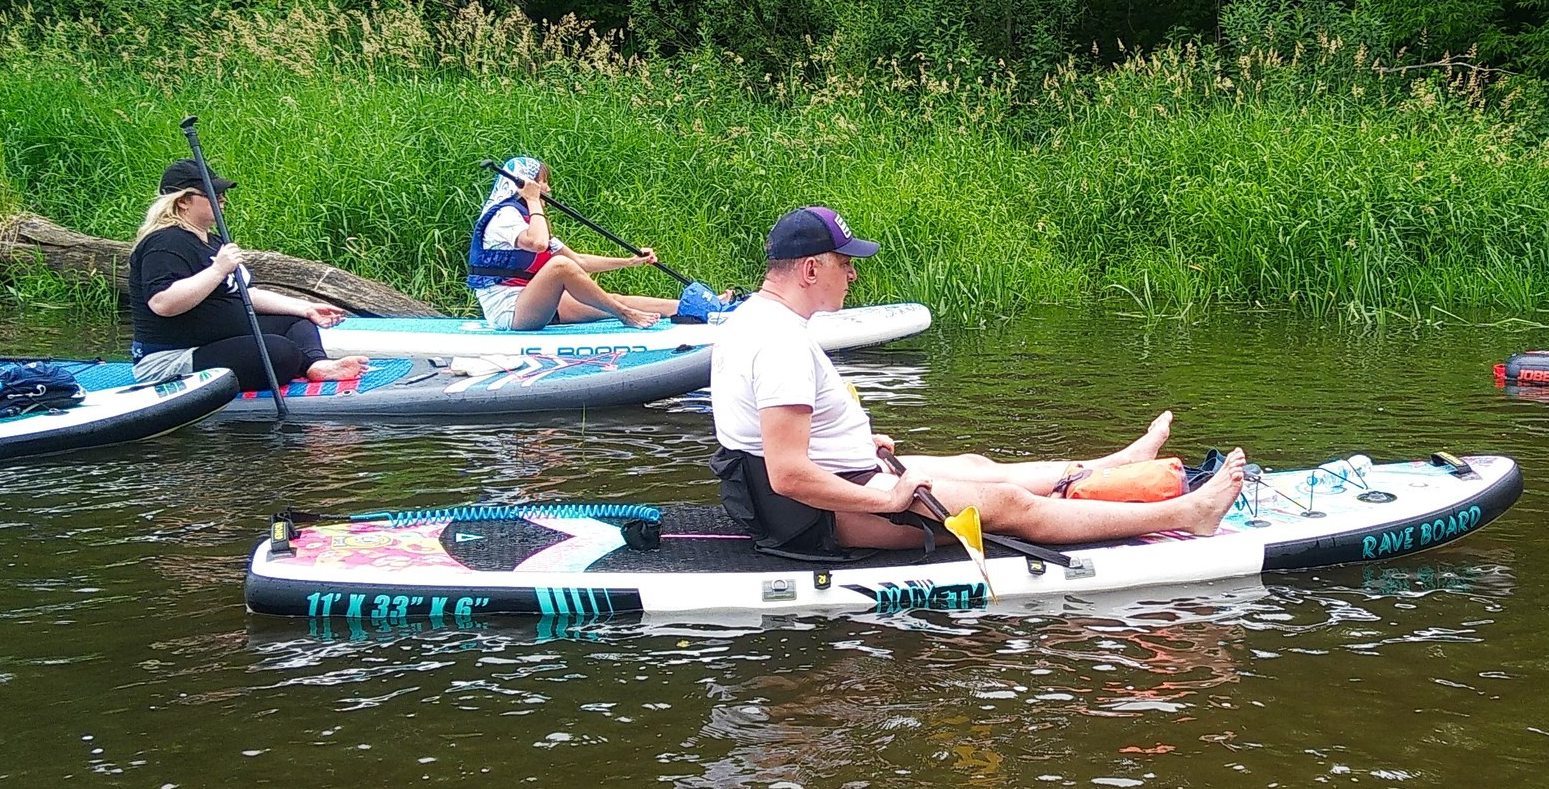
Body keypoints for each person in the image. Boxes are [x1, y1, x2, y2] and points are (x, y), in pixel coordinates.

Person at [708, 205, 1246, 555]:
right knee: (1011, 504)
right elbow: (787, 475)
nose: (852, 274)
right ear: (809, 270)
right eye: (844, 264)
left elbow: (771, 437)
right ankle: (1188, 514)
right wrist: (891, 500)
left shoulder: (754, 320)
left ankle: (1109, 467)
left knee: (976, 467)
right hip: (825, 515)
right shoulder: (780, 342)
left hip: (837, 482)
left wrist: (845, 439)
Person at [130, 162, 369, 391]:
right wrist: (217, 270)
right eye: (213, 194)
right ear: (183, 201)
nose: (222, 199)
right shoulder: (164, 242)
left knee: (296, 322)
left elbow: (248, 293)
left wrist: (305, 307)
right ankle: (299, 364)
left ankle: (317, 365)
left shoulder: (213, 241)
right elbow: (163, 303)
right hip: (174, 357)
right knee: (278, 353)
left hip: (215, 341)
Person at [467, 158, 727, 331]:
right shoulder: (505, 216)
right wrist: (534, 200)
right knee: (559, 266)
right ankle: (624, 314)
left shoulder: (527, 218)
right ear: (525, 185)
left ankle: (706, 308)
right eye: (541, 181)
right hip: (508, 312)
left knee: (608, 297)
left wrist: (630, 261)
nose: (547, 188)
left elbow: (579, 262)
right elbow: (538, 244)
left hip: (530, 301)